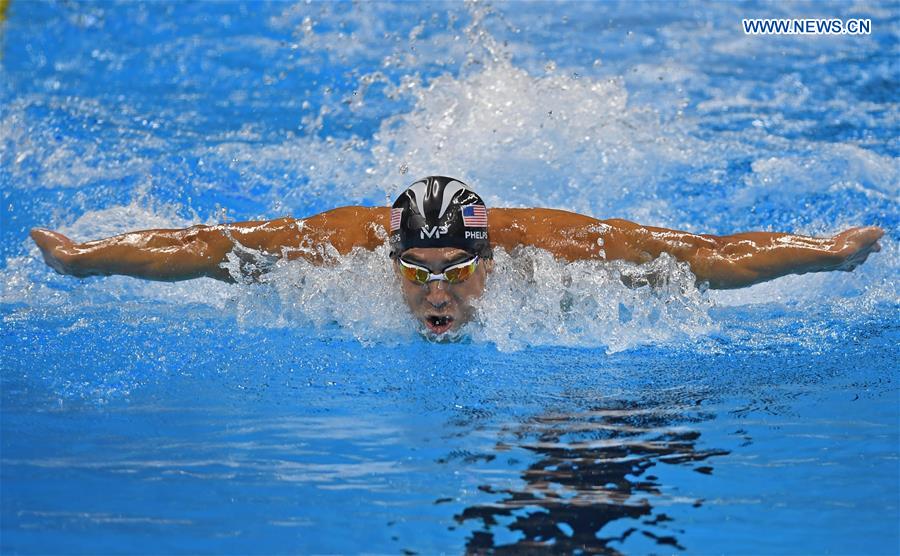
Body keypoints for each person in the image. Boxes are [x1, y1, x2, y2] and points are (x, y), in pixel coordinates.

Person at [30, 176, 883, 335]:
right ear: (390, 256)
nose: (437, 293)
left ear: (489, 256)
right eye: (416, 272)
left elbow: (712, 255)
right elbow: (204, 247)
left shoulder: (557, 247)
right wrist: (85, 259)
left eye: (457, 271)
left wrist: (829, 254)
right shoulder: (336, 244)